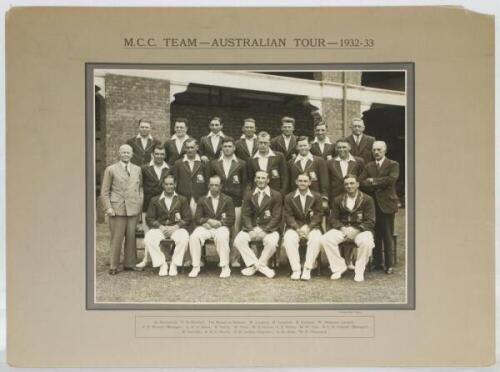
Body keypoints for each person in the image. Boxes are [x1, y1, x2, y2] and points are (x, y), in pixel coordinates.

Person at [321, 174, 376, 282]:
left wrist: (356, 231)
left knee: (367, 242)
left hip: (360, 230)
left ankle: (359, 270)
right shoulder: (338, 199)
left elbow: (371, 220)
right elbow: (333, 219)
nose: (349, 186)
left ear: (357, 184)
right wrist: (342, 228)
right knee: (325, 239)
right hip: (343, 229)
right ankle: (339, 267)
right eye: (346, 184)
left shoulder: (367, 199)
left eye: (352, 183)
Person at [100, 144, 144, 275]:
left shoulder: (137, 169)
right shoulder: (111, 169)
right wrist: (108, 207)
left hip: (132, 208)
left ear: (132, 154)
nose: (126, 155)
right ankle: (113, 265)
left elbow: (140, 188)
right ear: (119, 154)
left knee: (131, 237)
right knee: (116, 238)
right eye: (123, 152)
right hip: (117, 208)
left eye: (128, 152)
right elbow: (105, 191)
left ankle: (130, 263)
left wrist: (139, 204)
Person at [360, 141, 400, 274]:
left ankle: (389, 264)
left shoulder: (393, 164)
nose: (376, 152)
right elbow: (361, 182)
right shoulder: (369, 166)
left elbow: (391, 180)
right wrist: (373, 182)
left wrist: (373, 181)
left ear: (385, 151)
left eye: (379, 150)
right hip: (372, 205)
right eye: (374, 150)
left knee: (387, 234)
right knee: (375, 234)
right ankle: (377, 262)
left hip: (387, 204)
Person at [233, 171, 282, 279]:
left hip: (269, 228)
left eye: (263, 178)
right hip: (252, 227)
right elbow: (245, 215)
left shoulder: (276, 195)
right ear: (255, 179)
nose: (260, 180)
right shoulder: (248, 194)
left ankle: (255, 267)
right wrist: (250, 229)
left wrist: (266, 230)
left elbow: (276, 216)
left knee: (272, 242)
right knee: (238, 240)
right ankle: (260, 266)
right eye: (258, 178)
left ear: (268, 180)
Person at [208, 137, 247, 266]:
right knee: (222, 231)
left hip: (236, 202)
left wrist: (243, 199)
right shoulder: (214, 164)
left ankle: (234, 258)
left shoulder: (242, 163)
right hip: (220, 202)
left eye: (230, 146)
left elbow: (245, 184)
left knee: (235, 231)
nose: (227, 148)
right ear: (221, 148)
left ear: (234, 148)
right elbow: (211, 182)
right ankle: (222, 258)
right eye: (225, 146)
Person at [143, 175, 192, 276]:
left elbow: (187, 218)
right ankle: (162, 264)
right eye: (166, 184)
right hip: (160, 228)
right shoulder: (155, 200)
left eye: (171, 184)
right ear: (163, 185)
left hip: (176, 228)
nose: (169, 186)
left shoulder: (182, 199)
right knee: (149, 238)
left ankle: (174, 264)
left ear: (175, 184)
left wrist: (176, 227)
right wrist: (160, 226)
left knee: (184, 237)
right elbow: (149, 218)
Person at [188, 175, 236, 278]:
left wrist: (220, 223)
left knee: (221, 237)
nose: (214, 187)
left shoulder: (228, 200)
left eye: (216, 185)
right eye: (212, 185)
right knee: (194, 237)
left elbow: (231, 219)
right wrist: (207, 221)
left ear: (221, 186)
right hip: (206, 227)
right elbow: (197, 218)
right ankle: (195, 266)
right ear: (208, 186)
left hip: (221, 227)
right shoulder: (202, 199)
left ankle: (225, 266)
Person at [136, 145, 172, 268]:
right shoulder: (145, 168)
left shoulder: (169, 169)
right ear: (152, 154)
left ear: (165, 155)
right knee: (149, 234)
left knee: (165, 232)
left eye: (162, 154)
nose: (159, 156)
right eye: (157, 154)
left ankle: (166, 257)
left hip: (165, 206)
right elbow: (139, 186)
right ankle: (146, 259)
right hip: (148, 206)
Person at [283, 173, 323, 281]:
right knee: (289, 238)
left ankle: (307, 268)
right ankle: (296, 269)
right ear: (296, 182)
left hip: (312, 227)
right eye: (300, 181)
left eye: (305, 181)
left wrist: (309, 227)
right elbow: (288, 215)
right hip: (295, 227)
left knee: (316, 238)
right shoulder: (289, 197)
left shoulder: (317, 196)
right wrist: (297, 228)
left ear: (310, 182)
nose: (302, 183)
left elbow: (318, 215)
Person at [172, 138, 209, 216]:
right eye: (188, 147)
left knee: (198, 222)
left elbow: (207, 182)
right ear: (184, 148)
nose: (190, 150)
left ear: (197, 147)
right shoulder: (178, 163)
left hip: (199, 198)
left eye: (192, 147)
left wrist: (205, 197)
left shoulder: (203, 163)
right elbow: (175, 182)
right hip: (183, 198)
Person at [288, 136, 329, 206]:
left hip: (315, 196)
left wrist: (324, 197)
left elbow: (324, 180)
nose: (303, 148)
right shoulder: (291, 162)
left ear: (309, 146)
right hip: (297, 197)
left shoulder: (319, 161)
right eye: (300, 146)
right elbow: (289, 181)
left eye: (305, 145)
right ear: (297, 147)